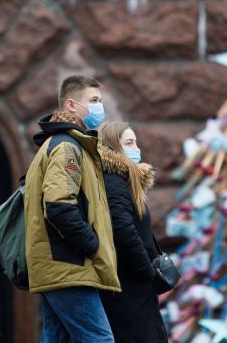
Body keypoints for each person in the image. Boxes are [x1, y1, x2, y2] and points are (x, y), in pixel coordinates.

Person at [24, 76, 120, 343]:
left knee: (56, 339)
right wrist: (92, 245)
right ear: (71, 105)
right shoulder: (67, 147)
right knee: (100, 339)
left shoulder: (63, 144)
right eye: (94, 101)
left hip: (59, 265)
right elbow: (58, 206)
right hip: (70, 266)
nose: (100, 107)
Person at [97, 121, 168, 343]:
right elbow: (123, 230)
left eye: (135, 142)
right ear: (113, 147)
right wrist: (146, 270)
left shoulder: (124, 181)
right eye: (129, 143)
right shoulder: (114, 182)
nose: (136, 149)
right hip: (129, 284)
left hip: (134, 283)